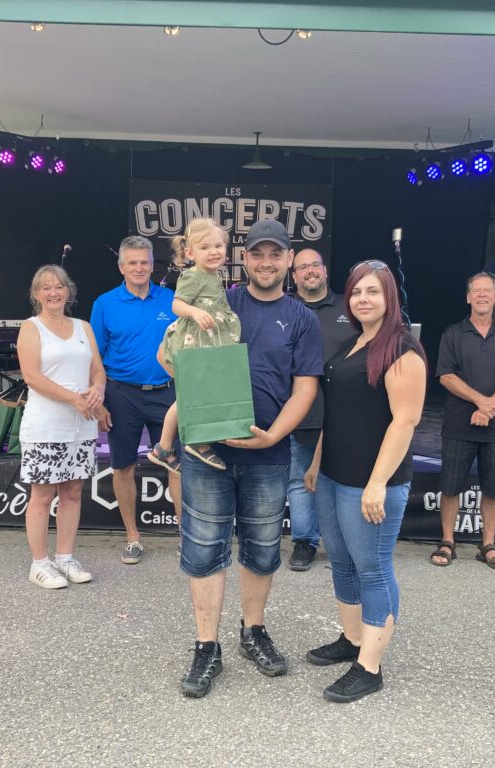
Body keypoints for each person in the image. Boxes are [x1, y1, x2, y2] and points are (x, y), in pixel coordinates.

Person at [178, 219, 323, 698]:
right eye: (257, 254)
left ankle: (253, 631)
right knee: (204, 548)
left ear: (288, 260)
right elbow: (178, 350)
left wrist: (273, 436)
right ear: (244, 258)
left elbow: (306, 387)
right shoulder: (220, 301)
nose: (266, 262)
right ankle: (207, 646)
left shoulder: (302, 319)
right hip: (208, 450)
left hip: (270, 453)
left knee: (261, 549)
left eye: (275, 254)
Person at [303, 260, 427, 703]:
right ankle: (353, 638)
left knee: (372, 568)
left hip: (371, 484)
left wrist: (377, 483)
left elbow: (404, 421)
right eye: (356, 292)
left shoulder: (402, 350)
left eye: (372, 291)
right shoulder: (352, 344)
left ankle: (369, 666)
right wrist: (317, 463)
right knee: (341, 561)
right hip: (334, 475)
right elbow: (335, 414)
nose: (362, 299)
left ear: (389, 297)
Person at [90, 236, 181, 564]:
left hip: (167, 392)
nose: (139, 268)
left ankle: (186, 537)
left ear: (152, 265)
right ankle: (132, 537)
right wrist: (99, 401)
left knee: (176, 464)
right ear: (121, 267)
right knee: (123, 465)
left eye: (144, 262)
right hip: (121, 394)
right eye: (133, 263)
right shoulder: (105, 304)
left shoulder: (172, 300)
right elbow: (95, 358)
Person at [16, 265, 105, 589]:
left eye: (59, 286)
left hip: (81, 425)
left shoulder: (83, 327)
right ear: (36, 295)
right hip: (46, 425)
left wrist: (97, 390)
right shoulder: (31, 328)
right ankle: (40, 563)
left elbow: (97, 369)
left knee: (72, 492)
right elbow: (32, 376)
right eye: (46, 287)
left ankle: (65, 557)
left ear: (68, 291)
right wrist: (74, 399)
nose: (53, 292)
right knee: (42, 495)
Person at [432, 271, 495, 570]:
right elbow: (446, 376)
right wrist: (480, 401)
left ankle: (488, 545)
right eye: (476, 290)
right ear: (468, 297)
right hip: (458, 425)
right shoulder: (452, 334)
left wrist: (489, 407)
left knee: (494, 489)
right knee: (450, 487)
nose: (482, 295)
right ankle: (448, 541)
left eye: (487, 290)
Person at [147, 218, 242, 473]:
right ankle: (194, 442)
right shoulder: (193, 275)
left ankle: (164, 448)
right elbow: (176, 304)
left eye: (218, 246)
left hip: (206, 343)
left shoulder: (213, 276)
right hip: (195, 343)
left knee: (193, 395)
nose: (213, 252)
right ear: (190, 253)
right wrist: (195, 312)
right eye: (205, 247)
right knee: (193, 395)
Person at [286, 248, 354, 571]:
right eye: (303, 267)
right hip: (297, 412)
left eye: (315, 265)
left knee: (345, 480)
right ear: (294, 275)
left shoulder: (349, 307)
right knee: (299, 480)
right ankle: (304, 541)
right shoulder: (284, 308)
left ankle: (347, 542)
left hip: (344, 412)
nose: (310, 271)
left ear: (325, 271)